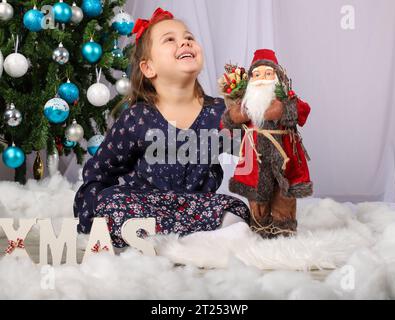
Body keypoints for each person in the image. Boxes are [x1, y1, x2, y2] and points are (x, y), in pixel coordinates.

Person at [73, 8, 250, 248]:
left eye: (189, 38)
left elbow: (252, 151)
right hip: (143, 204)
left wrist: (255, 113)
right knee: (110, 202)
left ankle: (191, 239)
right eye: (170, 39)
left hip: (196, 205)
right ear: (148, 68)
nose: (185, 42)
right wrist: (92, 208)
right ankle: (187, 240)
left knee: (237, 208)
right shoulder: (138, 117)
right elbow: (101, 170)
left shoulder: (220, 112)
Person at [221, 49, 313, 238]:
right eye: (257, 74)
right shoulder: (247, 104)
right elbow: (227, 124)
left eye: (268, 73)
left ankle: (284, 227)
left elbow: (303, 111)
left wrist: (284, 109)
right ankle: (259, 227)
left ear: (277, 77)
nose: (262, 78)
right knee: (256, 194)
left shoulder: (286, 99)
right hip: (255, 160)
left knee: (284, 192)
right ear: (251, 80)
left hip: (284, 159)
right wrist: (238, 114)